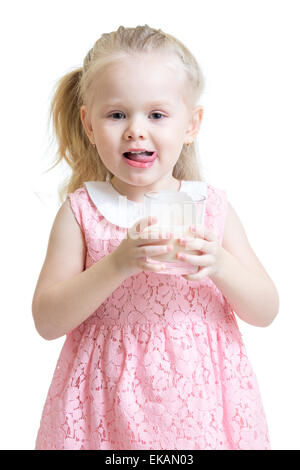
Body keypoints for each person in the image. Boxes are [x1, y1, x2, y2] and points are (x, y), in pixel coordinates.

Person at [32, 24, 279, 450]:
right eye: (117, 115)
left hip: (202, 405)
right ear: (89, 125)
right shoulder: (82, 211)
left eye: (157, 115)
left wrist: (220, 264)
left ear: (191, 124)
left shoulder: (210, 208)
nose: (136, 130)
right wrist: (117, 264)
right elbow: (46, 320)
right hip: (104, 404)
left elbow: (265, 309)